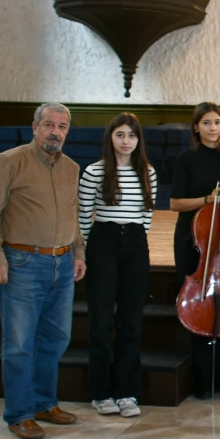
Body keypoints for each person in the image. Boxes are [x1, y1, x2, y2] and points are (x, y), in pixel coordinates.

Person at [0, 102, 87, 439]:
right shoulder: (9, 161)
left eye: (62, 126)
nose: (56, 132)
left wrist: (78, 251)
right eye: (49, 125)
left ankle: (43, 402)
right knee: (20, 344)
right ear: (35, 127)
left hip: (62, 263)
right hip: (22, 263)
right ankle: (20, 413)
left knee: (56, 339)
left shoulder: (71, 168)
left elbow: (74, 215)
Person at [78, 113, 158, 418]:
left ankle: (127, 391)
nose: (126, 141)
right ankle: (100, 392)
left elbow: (146, 216)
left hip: (135, 244)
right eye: (120, 135)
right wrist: (84, 251)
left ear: (139, 140)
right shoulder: (94, 172)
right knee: (100, 320)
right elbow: (84, 216)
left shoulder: (147, 172)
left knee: (131, 320)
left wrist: (134, 239)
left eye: (132, 136)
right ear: (110, 137)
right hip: (103, 243)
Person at [169, 102, 220, 400]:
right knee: (198, 304)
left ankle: (218, 375)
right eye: (207, 123)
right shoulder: (187, 159)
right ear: (196, 128)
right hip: (193, 238)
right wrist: (206, 199)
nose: (213, 129)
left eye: (216, 123)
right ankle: (202, 377)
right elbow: (175, 203)